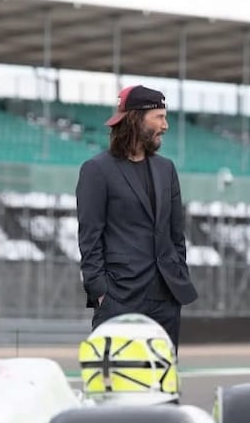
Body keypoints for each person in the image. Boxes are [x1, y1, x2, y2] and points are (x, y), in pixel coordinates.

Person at [75, 85, 197, 352]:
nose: (165, 125)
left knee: (163, 381)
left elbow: (176, 233)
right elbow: (89, 239)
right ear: (136, 118)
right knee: (118, 381)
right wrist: (101, 292)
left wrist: (178, 271)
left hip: (166, 298)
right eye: (159, 117)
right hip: (119, 298)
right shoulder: (97, 170)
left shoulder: (167, 169)